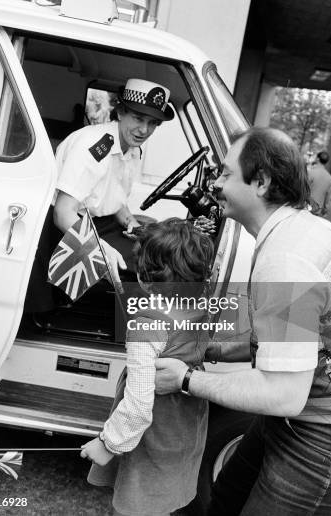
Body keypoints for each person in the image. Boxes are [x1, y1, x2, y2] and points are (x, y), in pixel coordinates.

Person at [154, 127, 331, 516]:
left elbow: (283, 392)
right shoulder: (299, 230)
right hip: (301, 417)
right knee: (225, 500)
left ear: (262, 182)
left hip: (325, 439)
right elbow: (300, 337)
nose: (215, 184)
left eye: (225, 174)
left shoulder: (286, 259)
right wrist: (219, 348)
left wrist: (185, 380)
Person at [80, 219, 214, 516]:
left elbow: (139, 405)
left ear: (142, 276)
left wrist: (107, 443)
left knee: (137, 504)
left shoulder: (147, 323)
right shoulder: (201, 308)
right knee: (163, 499)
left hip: (153, 432)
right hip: (186, 425)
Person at [53, 78, 174, 282]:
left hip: (102, 224)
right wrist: (100, 249)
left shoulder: (132, 148)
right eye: (138, 118)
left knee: (163, 253)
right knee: (153, 269)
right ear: (120, 112)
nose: (144, 130)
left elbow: (113, 199)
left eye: (152, 123)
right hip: (70, 230)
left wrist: (134, 225)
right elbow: (62, 213)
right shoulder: (92, 145)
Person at [308, 150, 331, 217]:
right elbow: (327, 197)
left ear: (318, 159)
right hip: (317, 210)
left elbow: (303, 189)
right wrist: (325, 210)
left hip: (306, 208)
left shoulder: (311, 172)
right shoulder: (329, 178)